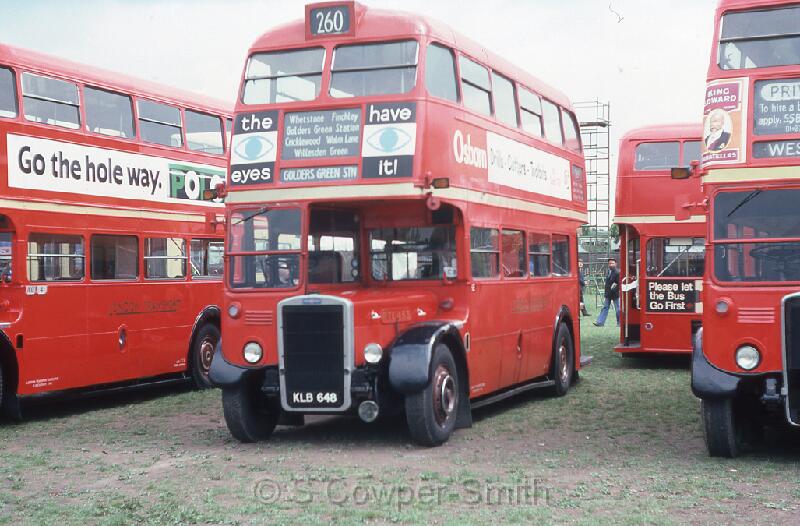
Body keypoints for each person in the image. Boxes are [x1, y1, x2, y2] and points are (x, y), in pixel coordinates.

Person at [594, 258, 620, 327]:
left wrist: (613, 290)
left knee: (618, 309)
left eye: (612, 263)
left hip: (615, 294)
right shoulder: (608, 272)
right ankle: (600, 322)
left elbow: (619, 284)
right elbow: (608, 284)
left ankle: (620, 323)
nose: (611, 265)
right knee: (605, 308)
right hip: (608, 294)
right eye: (609, 263)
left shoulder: (618, 272)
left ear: (616, 264)